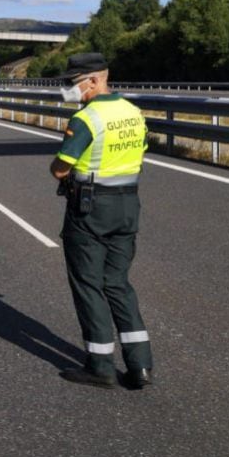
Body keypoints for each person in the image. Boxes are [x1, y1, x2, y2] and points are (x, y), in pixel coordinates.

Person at [50, 52, 153, 390]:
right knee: (118, 283)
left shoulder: (86, 118)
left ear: (94, 80)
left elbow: (61, 167)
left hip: (91, 210)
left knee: (88, 284)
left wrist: (64, 172)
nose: (69, 89)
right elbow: (139, 152)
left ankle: (100, 366)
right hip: (127, 206)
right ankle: (140, 366)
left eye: (73, 83)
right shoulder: (133, 113)